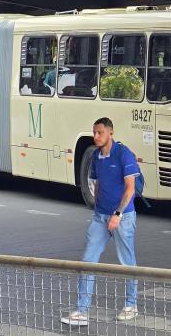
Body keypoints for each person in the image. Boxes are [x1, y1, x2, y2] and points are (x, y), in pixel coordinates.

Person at [61, 118, 140, 327]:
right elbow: (95, 182)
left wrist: (117, 213)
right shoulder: (96, 156)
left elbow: (130, 189)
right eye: (94, 132)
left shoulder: (123, 154)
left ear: (111, 133)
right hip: (100, 216)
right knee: (88, 260)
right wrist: (98, 208)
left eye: (100, 133)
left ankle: (131, 305)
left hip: (122, 217)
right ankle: (81, 311)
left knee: (127, 262)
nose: (96, 136)